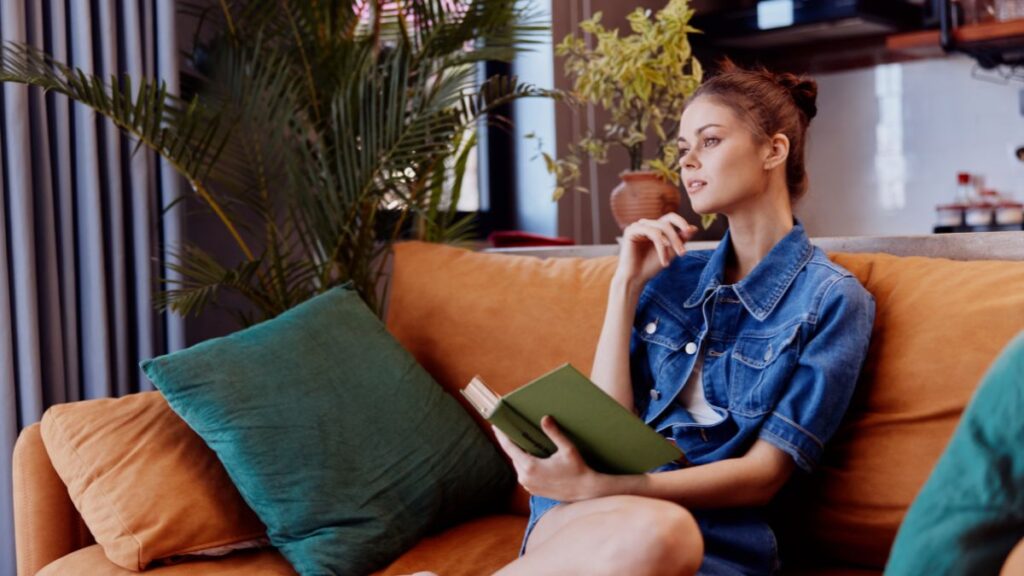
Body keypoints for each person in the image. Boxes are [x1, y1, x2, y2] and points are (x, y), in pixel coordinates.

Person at [487, 60, 877, 576]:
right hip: (588, 510)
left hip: (709, 532)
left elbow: (763, 476)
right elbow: (610, 426)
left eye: (710, 141)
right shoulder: (673, 273)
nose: (688, 162)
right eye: (682, 149)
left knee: (661, 530)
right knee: (629, 527)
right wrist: (625, 285)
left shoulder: (831, 300)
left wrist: (603, 486)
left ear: (773, 150)